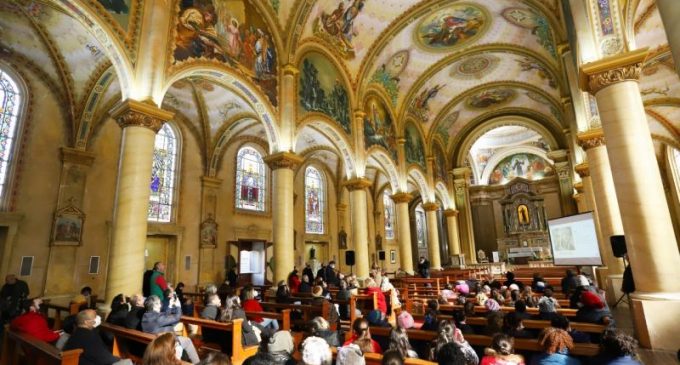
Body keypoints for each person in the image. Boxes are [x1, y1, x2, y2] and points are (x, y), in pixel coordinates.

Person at [141, 295, 200, 364]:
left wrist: (170, 306)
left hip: (156, 342)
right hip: (166, 344)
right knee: (188, 341)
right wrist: (178, 306)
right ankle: (197, 363)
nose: (161, 305)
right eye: (159, 303)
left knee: (185, 340)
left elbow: (162, 316)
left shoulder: (146, 316)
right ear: (155, 305)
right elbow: (177, 318)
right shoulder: (157, 319)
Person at [63, 309, 132, 365]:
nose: (98, 318)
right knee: (127, 362)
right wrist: (118, 359)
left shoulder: (77, 333)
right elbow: (103, 358)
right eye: (95, 317)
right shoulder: (89, 336)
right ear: (86, 322)